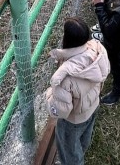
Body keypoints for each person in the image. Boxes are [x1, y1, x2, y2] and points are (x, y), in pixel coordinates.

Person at [45, 17, 111, 165]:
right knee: (85, 135)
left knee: (69, 148)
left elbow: (61, 111)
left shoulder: (65, 78)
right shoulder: (98, 50)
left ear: (66, 38)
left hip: (73, 120)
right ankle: (80, 151)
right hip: (93, 106)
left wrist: (49, 94)